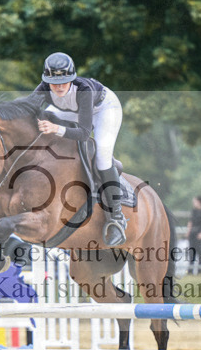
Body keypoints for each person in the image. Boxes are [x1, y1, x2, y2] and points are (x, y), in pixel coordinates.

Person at [29, 51, 128, 246]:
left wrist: (56, 129)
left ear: (71, 79)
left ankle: (116, 218)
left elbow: (83, 133)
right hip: (73, 112)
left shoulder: (83, 89)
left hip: (104, 109)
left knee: (102, 155)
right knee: (42, 121)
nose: (58, 87)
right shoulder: (43, 88)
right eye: (53, 82)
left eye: (63, 82)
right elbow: (26, 110)